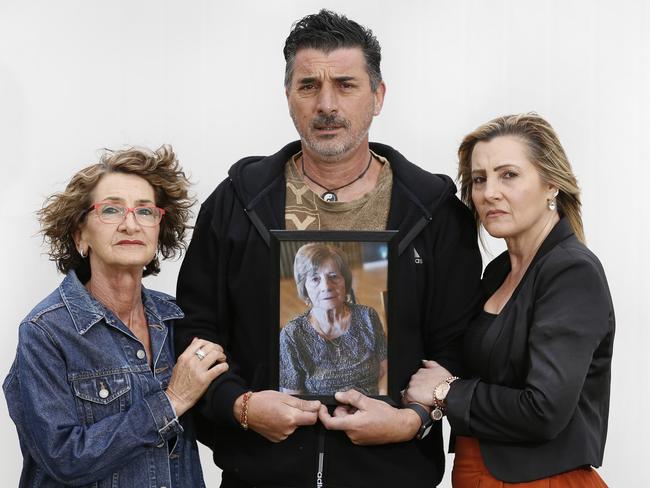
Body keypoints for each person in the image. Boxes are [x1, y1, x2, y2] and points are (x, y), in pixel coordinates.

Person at [175, 9, 482, 488]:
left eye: (345, 84)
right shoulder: (237, 203)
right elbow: (196, 332)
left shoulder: (434, 212)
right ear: (288, 98)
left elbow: (459, 348)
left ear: (378, 96)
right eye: (308, 86)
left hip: (393, 476)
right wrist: (241, 406)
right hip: (260, 474)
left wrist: (411, 420)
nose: (326, 104)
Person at [405, 113, 613, 487]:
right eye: (479, 179)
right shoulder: (499, 271)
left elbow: (544, 410)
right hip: (479, 474)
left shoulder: (571, 273)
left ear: (551, 185)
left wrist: (444, 391)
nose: (489, 193)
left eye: (509, 175)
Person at [3, 146, 229, 487]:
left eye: (145, 211)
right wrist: (172, 401)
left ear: (158, 228)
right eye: (111, 210)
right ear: (80, 235)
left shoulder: (176, 320)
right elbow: (64, 459)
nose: (130, 224)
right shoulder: (46, 331)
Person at [280, 243, 387, 396]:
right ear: (304, 287)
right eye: (315, 278)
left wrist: (381, 403)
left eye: (333, 276)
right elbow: (293, 400)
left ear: (346, 281)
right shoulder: (292, 334)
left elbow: (384, 372)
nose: (326, 286)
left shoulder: (368, 317)